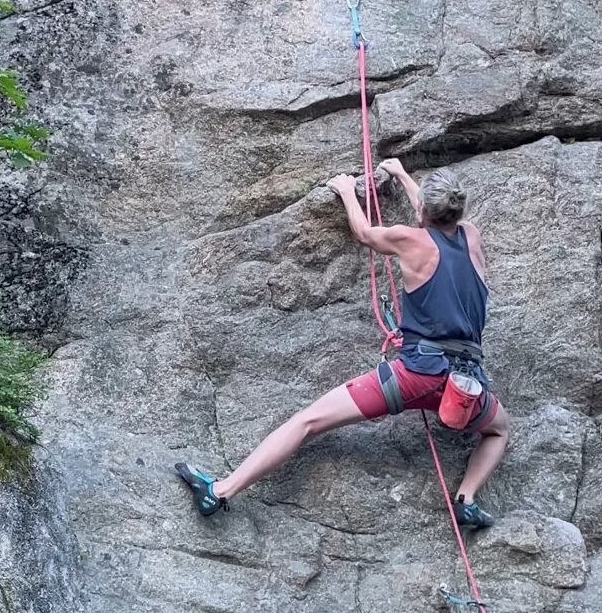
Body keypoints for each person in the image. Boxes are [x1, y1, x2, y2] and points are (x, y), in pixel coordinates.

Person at [175, 159, 509, 527]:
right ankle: (466, 497)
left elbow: (365, 233)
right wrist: (400, 175)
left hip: (415, 375)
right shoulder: (472, 236)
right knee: (499, 429)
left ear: (423, 211)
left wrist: (348, 192)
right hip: (466, 387)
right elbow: (436, 215)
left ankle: (221, 490)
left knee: (308, 421)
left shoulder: (411, 241)